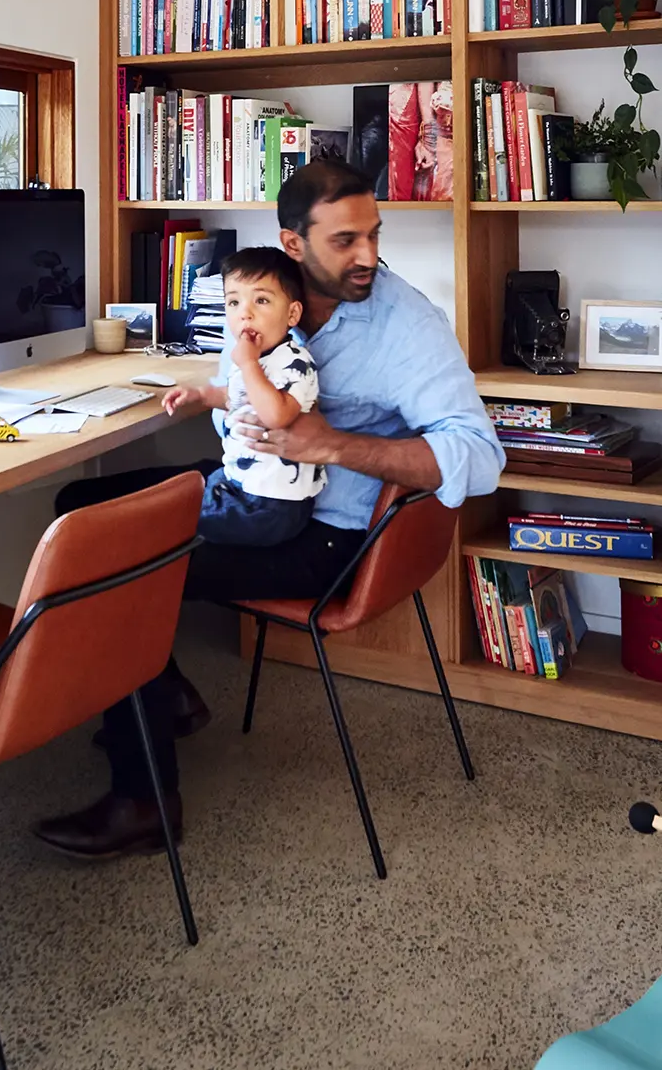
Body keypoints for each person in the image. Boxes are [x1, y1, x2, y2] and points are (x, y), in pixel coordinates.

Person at [33, 158, 503, 859]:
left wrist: (333, 443)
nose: (368, 256)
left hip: (325, 535)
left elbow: (481, 456)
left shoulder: (406, 325)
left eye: (374, 234)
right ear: (292, 243)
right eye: (345, 240)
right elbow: (233, 401)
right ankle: (162, 691)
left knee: (121, 566)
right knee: (81, 504)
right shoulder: (259, 299)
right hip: (248, 487)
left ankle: (145, 802)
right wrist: (219, 395)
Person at [162, 246, 323, 548]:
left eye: (261, 300)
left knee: (176, 526)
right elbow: (238, 396)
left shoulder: (294, 361)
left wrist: (248, 365)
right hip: (243, 485)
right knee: (183, 502)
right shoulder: (254, 357)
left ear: (292, 313)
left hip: (273, 503)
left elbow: (276, 415)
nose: (244, 313)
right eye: (233, 302)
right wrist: (200, 395)